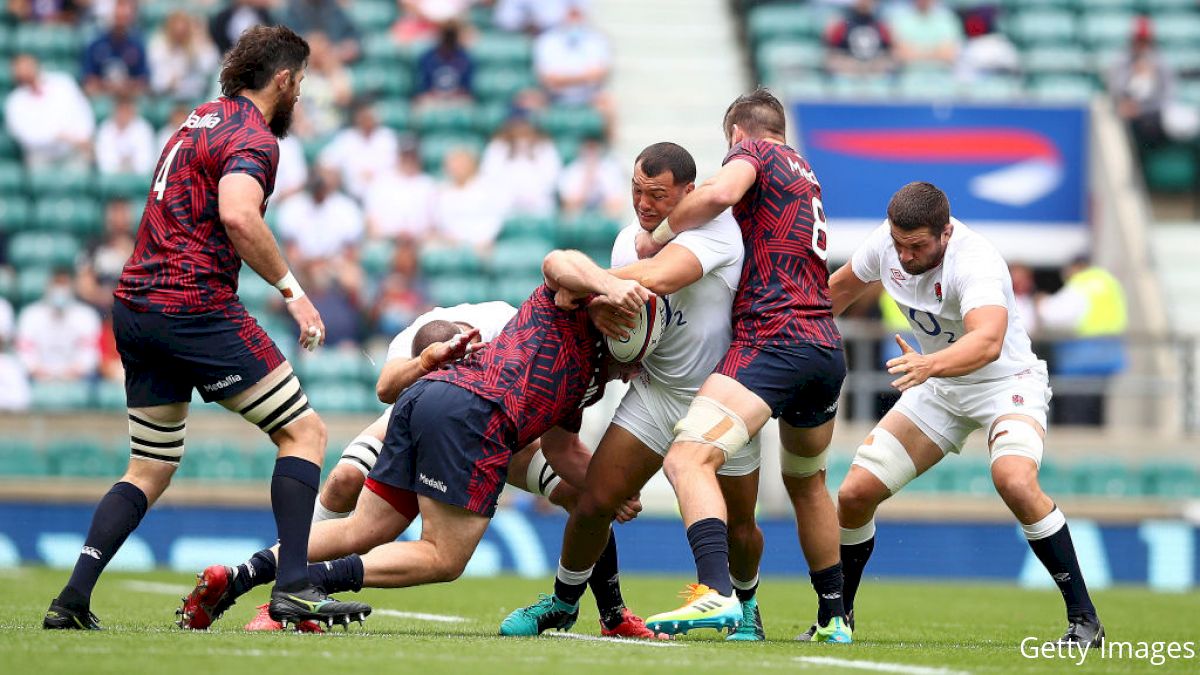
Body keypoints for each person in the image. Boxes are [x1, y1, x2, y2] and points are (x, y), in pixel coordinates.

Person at [42, 25, 371, 632]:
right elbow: (239, 215)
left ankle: (71, 600)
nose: (300, 91)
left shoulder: (199, 118)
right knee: (305, 432)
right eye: (300, 81)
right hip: (192, 305)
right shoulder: (255, 136)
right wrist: (294, 293)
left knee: (150, 465)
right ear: (283, 80)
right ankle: (293, 587)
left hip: (136, 303)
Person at [178, 250, 652, 629]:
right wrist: (609, 284)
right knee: (444, 557)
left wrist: (605, 490)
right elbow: (556, 261)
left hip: (430, 401)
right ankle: (305, 586)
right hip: (475, 416)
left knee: (361, 531)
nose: (636, 375)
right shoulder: (571, 306)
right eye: (639, 359)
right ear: (618, 331)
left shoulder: (586, 383)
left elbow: (562, 450)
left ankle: (240, 576)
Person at [501, 142, 774, 641]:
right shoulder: (627, 239)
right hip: (657, 391)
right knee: (594, 502)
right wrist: (601, 310)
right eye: (636, 191)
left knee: (740, 524)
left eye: (658, 195)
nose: (644, 204)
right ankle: (562, 604)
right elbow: (622, 320)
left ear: (690, 193)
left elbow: (661, 277)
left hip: (723, 394)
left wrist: (585, 283)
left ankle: (747, 604)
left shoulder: (718, 232)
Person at [824, 181, 1105, 647]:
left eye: (917, 246)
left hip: (1004, 383)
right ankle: (839, 618)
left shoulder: (975, 261)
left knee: (1014, 479)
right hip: (939, 385)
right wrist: (790, 331)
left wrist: (928, 363)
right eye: (899, 244)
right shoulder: (886, 244)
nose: (906, 257)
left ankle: (1085, 620)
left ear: (946, 233)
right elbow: (840, 289)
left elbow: (987, 341)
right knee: (854, 494)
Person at [635, 89, 850, 642]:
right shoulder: (806, 171)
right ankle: (834, 617)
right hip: (824, 345)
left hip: (773, 337)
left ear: (737, 133)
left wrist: (660, 234)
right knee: (808, 485)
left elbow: (720, 194)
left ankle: (716, 593)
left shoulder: (751, 153)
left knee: (687, 457)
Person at [1036, 257, 1128, 427]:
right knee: (1096, 409)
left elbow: (1056, 314)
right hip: (1109, 356)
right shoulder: (1109, 281)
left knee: (1076, 412)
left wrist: (1042, 303)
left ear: (1076, 267)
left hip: (1083, 357)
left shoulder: (1081, 283)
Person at [4, 54, 95, 170]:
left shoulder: (63, 83)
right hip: (40, 158)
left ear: (35, 64)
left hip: (73, 151)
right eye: (20, 69)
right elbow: (26, 136)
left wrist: (82, 137)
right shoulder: (14, 101)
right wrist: (57, 136)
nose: (25, 71)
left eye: (27, 66)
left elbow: (83, 112)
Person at [16, 269, 102, 382]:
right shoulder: (30, 315)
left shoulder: (86, 315)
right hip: (37, 376)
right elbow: (24, 353)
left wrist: (74, 372)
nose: (60, 291)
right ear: (48, 288)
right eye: (56, 285)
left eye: (64, 286)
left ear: (71, 288)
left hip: (77, 378)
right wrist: (36, 370)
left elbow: (91, 355)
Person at [480, 112, 562, 217]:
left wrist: (530, 196)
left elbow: (552, 177)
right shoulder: (497, 147)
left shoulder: (545, 146)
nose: (520, 128)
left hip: (539, 201)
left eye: (524, 124)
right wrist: (512, 196)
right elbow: (489, 177)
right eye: (516, 124)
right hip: (504, 202)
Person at [317, 98, 397, 200]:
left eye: (369, 115)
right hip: (353, 198)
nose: (366, 119)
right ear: (357, 117)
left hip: (384, 198)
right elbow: (325, 161)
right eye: (363, 115)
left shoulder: (387, 137)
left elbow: (397, 168)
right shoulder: (347, 138)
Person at [363, 137, 437, 242]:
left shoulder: (428, 184)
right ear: (398, 156)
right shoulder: (380, 182)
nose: (409, 160)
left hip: (419, 241)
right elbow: (370, 221)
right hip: (386, 240)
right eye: (405, 156)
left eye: (412, 156)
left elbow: (433, 224)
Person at [81, 0, 149, 98]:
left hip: (127, 99)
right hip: (101, 97)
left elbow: (143, 81)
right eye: (118, 17)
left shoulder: (137, 45)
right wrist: (108, 86)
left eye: (124, 18)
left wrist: (124, 87)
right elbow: (88, 80)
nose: (120, 21)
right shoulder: (96, 44)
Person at [148, 11, 221, 101]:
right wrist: (169, 82)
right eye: (176, 30)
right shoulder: (159, 45)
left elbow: (210, 67)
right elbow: (157, 81)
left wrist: (200, 41)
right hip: (167, 98)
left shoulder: (197, 45)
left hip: (195, 97)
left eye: (183, 31)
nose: (179, 32)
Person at [557, 135, 625, 218]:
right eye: (588, 148)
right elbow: (568, 204)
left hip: (603, 217)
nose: (590, 153)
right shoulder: (572, 170)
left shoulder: (610, 168)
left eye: (593, 148)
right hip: (578, 217)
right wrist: (587, 181)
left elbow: (616, 204)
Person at [824, 0, 894, 79]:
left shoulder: (881, 25)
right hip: (847, 77)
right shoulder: (842, 25)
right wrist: (853, 66)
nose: (865, 2)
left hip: (874, 78)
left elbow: (890, 57)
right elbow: (830, 57)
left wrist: (871, 67)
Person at [889, 0, 963, 72]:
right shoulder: (899, 19)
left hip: (942, 75)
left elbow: (948, 54)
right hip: (908, 76)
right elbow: (902, 55)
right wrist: (936, 53)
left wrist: (915, 54)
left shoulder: (948, 19)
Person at [413, 22, 475, 107]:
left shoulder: (464, 58)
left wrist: (454, 94)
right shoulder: (428, 57)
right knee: (421, 104)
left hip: (456, 98)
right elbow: (423, 86)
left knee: (468, 105)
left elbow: (466, 88)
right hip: (433, 97)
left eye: (451, 36)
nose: (448, 40)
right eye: (446, 35)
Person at [94, 96, 157, 175]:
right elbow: (104, 163)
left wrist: (131, 164)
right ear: (114, 111)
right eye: (120, 110)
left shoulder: (144, 128)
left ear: (132, 111)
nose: (123, 114)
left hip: (139, 178)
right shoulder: (105, 128)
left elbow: (146, 161)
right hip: (112, 178)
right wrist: (120, 164)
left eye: (126, 110)